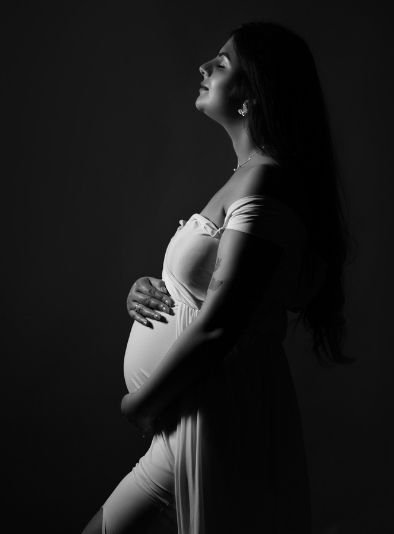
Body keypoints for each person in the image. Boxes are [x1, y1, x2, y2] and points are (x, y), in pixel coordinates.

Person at [81, 20, 355, 534]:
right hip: (190, 417)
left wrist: (142, 403)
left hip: (214, 415)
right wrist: (151, 291)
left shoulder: (266, 181)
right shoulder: (248, 176)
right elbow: (211, 290)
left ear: (252, 95)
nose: (203, 68)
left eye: (222, 64)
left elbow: (222, 323)